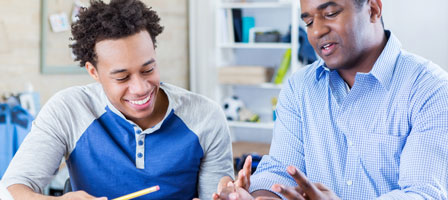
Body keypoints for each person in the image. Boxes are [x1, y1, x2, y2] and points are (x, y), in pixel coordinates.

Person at [214, 0, 448, 199]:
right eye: (308, 22)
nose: (316, 32)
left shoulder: (430, 88)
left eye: (330, 14)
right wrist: (257, 196)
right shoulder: (300, 87)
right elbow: (279, 172)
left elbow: (423, 193)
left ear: (374, 9)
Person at [0, 0, 234, 199]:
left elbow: (214, 193)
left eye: (148, 70)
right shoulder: (68, 109)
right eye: (122, 77)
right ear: (93, 72)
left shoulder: (205, 116)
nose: (140, 88)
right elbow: (12, 189)